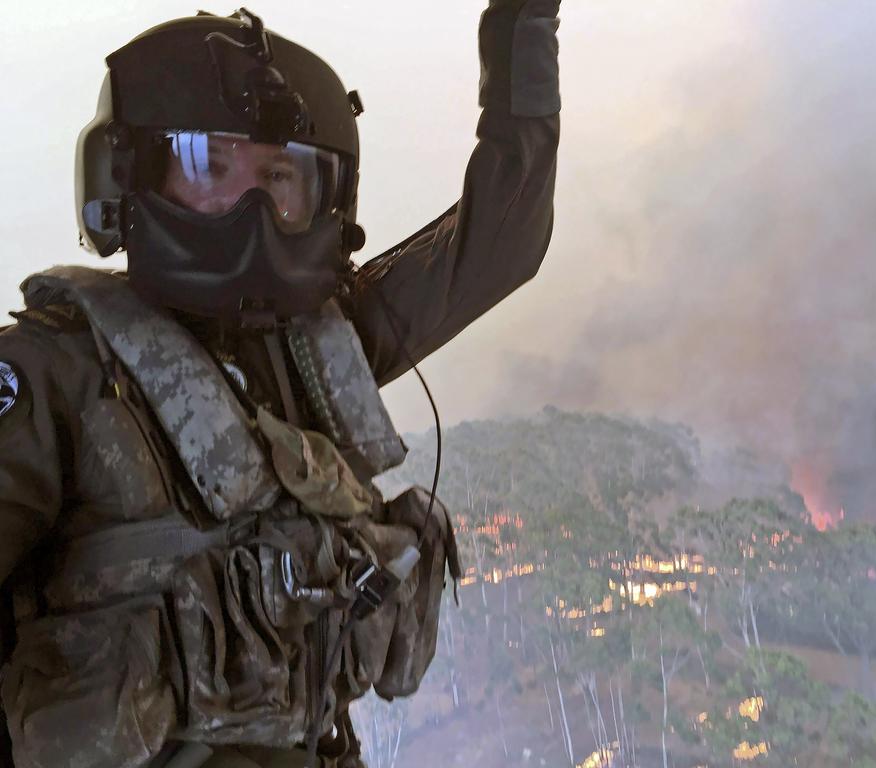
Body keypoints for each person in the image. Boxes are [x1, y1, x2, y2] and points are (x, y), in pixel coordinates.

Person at [0, 2, 560, 766]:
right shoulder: (50, 375)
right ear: (133, 175)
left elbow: (502, 241)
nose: (250, 205)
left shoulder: (320, 351)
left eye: (279, 174)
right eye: (210, 165)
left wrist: (524, 23)